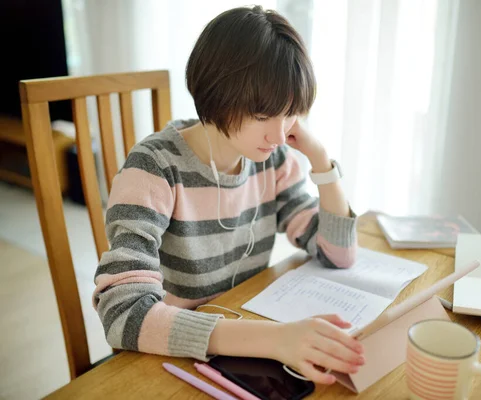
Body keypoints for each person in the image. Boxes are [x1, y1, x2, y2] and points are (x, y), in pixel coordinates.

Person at [92, 5, 363, 384]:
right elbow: (124, 313)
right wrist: (276, 340)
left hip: (245, 341)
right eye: (262, 114)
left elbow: (338, 254)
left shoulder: (274, 159)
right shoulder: (155, 167)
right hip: (172, 355)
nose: (278, 132)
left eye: (290, 114)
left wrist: (321, 161)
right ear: (218, 92)